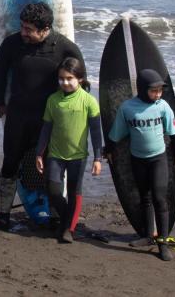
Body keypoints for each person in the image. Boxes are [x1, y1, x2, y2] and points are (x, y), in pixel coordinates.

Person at [0, 2, 84, 228]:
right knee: (10, 164)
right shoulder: (12, 44)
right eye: (22, 27)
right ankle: (3, 213)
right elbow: (0, 73)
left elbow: (81, 85)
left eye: (28, 29)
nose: (23, 32)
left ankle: (54, 214)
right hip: (19, 117)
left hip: (49, 121)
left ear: (45, 29)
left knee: (52, 169)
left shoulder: (65, 48)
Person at [107, 69, 175, 261]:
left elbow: (173, 132)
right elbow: (116, 133)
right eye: (153, 90)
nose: (157, 94)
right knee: (145, 197)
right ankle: (149, 236)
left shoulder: (163, 106)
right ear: (142, 89)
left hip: (158, 159)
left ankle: (163, 242)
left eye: (159, 91)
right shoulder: (127, 108)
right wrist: (108, 149)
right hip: (137, 159)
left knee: (159, 198)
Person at [35, 57, 102, 244]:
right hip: (55, 154)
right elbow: (46, 128)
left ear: (80, 79)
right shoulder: (53, 100)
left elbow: (96, 131)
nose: (65, 82)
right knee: (53, 189)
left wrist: (98, 158)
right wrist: (39, 153)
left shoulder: (89, 101)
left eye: (69, 78)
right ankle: (67, 219)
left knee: (74, 191)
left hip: (77, 156)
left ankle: (68, 229)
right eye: (61, 78)